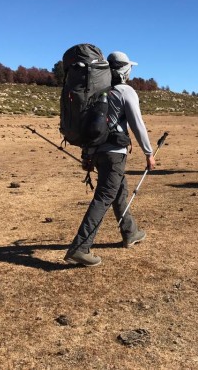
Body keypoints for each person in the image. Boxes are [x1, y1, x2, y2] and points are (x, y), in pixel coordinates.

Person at [64, 51, 155, 266]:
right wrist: (149, 152)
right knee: (105, 195)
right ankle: (80, 248)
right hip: (114, 153)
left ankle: (130, 232)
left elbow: (91, 127)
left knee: (119, 191)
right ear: (124, 70)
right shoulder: (125, 91)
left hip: (97, 152)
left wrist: (87, 154)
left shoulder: (98, 91)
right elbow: (137, 123)